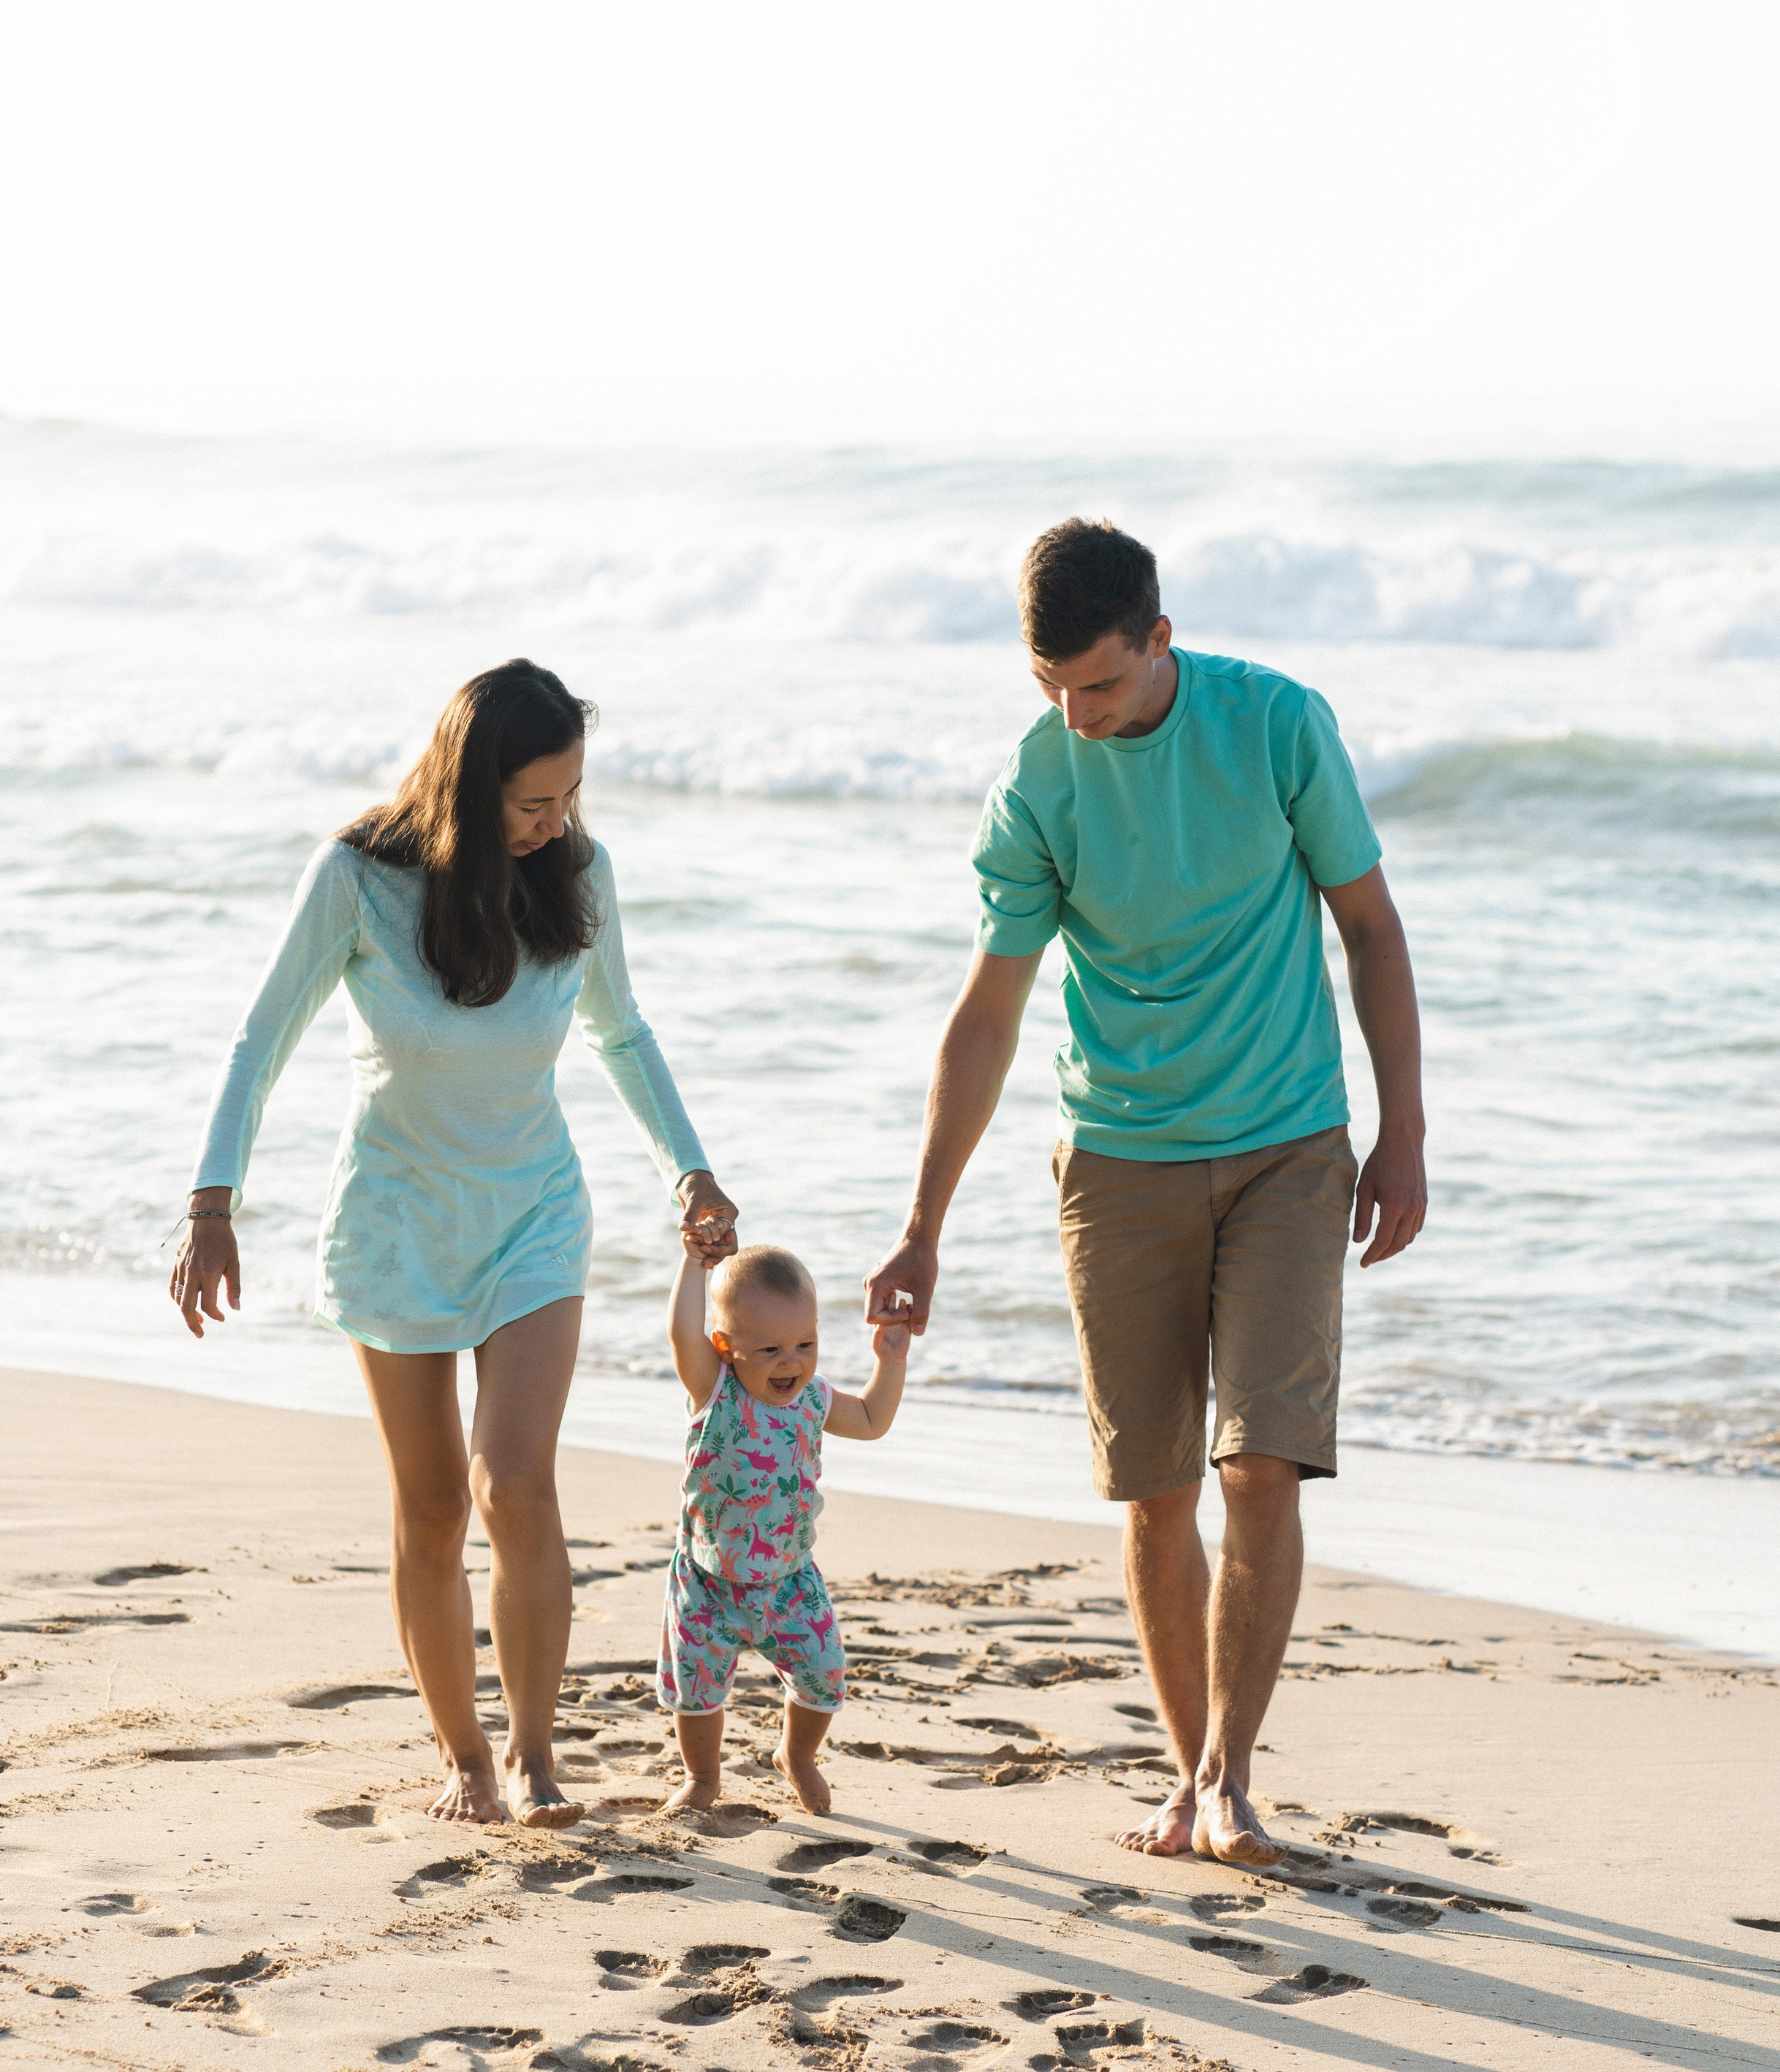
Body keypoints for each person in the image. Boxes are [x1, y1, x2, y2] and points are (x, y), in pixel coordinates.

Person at [864, 520, 1426, 1869]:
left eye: (1101, 684)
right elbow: (987, 1013)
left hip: (1291, 1143)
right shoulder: (1039, 782)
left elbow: (1369, 925)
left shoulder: (1277, 725)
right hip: (1116, 1157)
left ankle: (1230, 1778)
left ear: (1160, 639)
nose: (1077, 711)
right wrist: (921, 1224)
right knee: (1157, 1490)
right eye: (1051, 685)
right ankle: (1190, 1774)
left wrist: (1404, 1131)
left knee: (1263, 1461)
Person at [171, 658, 737, 1829]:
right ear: (469, 788)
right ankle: (463, 1754)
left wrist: (689, 1167)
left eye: (569, 796)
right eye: (532, 802)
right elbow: (257, 1041)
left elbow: (621, 1033)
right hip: (396, 1222)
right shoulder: (358, 877)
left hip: (534, 1211)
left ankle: (534, 1756)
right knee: (432, 1510)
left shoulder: (577, 873)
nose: (555, 822)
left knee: (514, 1484)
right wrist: (212, 1203)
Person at [658, 1241, 909, 1817]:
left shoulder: (814, 1400)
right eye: (770, 1349)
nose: (791, 1362)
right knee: (696, 1693)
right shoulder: (713, 1390)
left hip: (791, 1579)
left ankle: (796, 1756)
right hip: (708, 1581)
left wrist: (890, 1360)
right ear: (726, 1349)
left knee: (824, 1677)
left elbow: (871, 1420)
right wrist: (696, 1264)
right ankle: (702, 1776)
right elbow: (681, 1333)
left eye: (805, 1344)